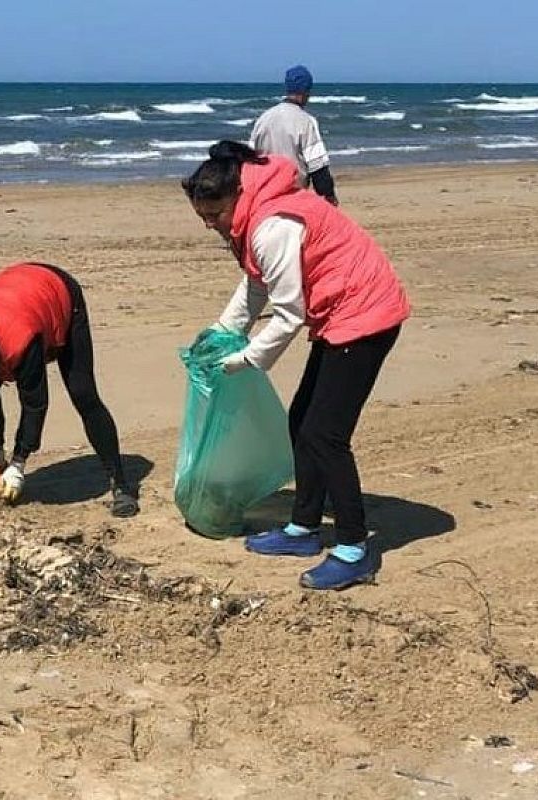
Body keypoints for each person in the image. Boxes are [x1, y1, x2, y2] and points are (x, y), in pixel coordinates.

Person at [181, 140, 410, 589]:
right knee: (301, 422)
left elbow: (289, 314)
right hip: (340, 313)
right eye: (203, 218)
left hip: (367, 315)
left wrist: (243, 360)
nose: (211, 225)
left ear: (237, 197)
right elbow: (255, 285)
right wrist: (221, 330)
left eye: (216, 215)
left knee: (326, 436)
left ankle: (353, 548)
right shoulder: (254, 214)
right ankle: (303, 528)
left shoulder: (272, 226)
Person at [0, 262, 139, 518]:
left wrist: (19, 462)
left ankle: (121, 485)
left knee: (83, 394)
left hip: (57, 291)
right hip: (14, 296)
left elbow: (35, 404)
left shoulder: (20, 340)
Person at [251, 65, 339, 206]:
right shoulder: (305, 121)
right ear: (306, 91)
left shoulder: (263, 119)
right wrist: (329, 197)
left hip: (265, 196)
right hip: (293, 195)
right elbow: (317, 167)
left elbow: (251, 160)